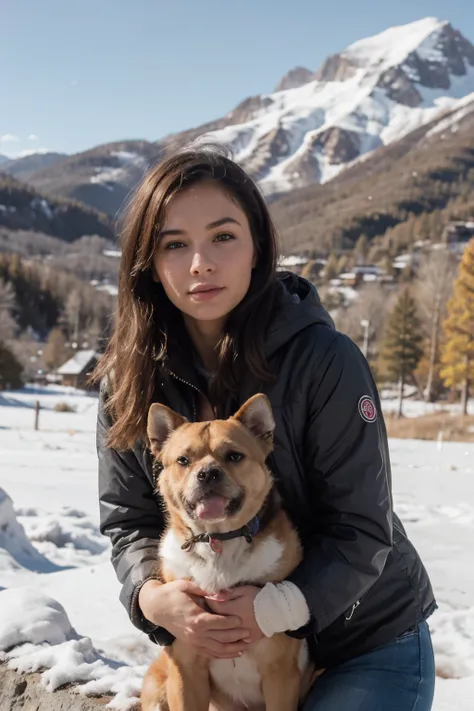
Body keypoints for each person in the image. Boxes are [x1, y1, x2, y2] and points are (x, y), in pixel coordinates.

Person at [95, 147, 436, 710]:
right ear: (149, 263)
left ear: (258, 246)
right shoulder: (129, 380)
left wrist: (274, 611)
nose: (200, 262)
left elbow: (363, 527)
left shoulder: (325, 360)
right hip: (226, 660)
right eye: (174, 244)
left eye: (223, 237)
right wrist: (151, 598)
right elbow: (128, 521)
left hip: (361, 643)